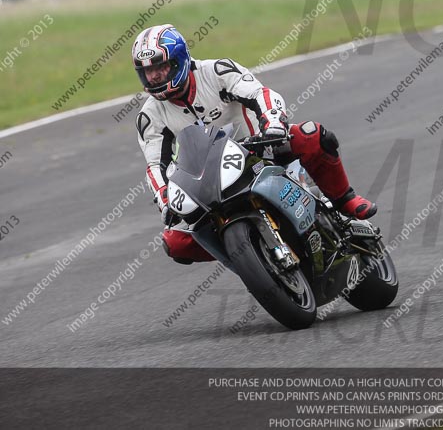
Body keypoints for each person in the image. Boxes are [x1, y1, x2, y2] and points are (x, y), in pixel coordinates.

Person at [132, 24, 376, 264]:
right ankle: (247, 257)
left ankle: (345, 200)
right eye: (147, 71)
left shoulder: (216, 71)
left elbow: (260, 94)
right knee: (175, 242)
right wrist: (165, 199)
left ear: (180, 60)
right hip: (209, 178)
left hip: (260, 149)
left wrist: (273, 123)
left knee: (311, 134)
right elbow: (155, 165)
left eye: (160, 67)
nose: (153, 76)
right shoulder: (149, 116)